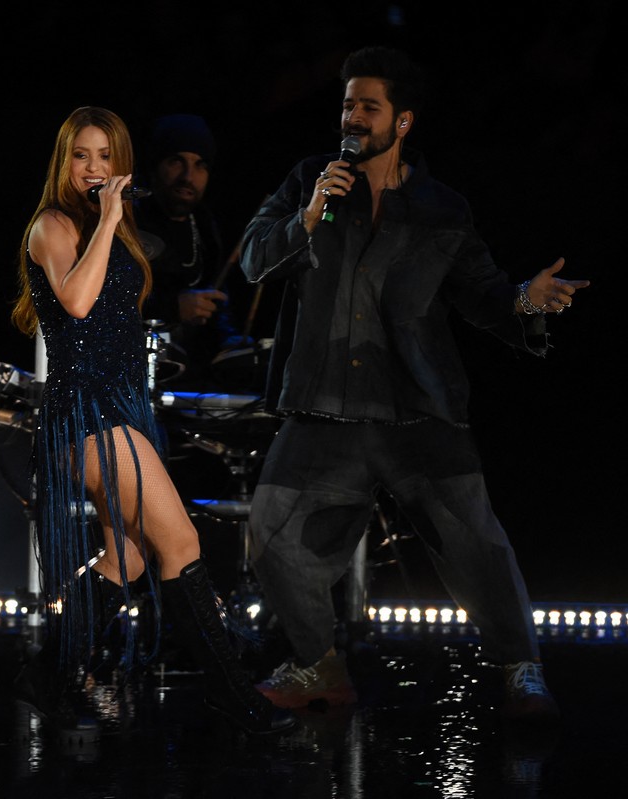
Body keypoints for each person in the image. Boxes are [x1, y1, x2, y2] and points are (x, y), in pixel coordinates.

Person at [239, 46, 589, 722]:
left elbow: (485, 296)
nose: (353, 117)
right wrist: (307, 215)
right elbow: (256, 259)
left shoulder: (441, 209)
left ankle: (524, 672)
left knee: (478, 545)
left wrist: (526, 300)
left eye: (368, 107)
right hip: (324, 408)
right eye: (347, 105)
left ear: (402, 122)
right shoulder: (310, 181)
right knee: (270, 532)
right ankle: (319, 663)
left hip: (418, 413)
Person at [9, 105, 295, 739]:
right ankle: (236, 699)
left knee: (131, 555)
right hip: (83, 412)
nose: (94, 168)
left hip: (119, 407)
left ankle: (48, 674)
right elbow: (78, 304)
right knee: (182, 545)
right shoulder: (54, 225)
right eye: (82, 156)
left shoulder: (113, 228)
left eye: (106, 157)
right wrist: (109, 220)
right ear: (65, 161)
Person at [134, 113, 248, 392]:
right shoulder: (127, 218)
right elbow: (102, 299)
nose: (188, 177)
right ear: (155, 165)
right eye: (176, 162)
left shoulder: (206, 227)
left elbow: (217, 302)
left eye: (199, 166)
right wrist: (172, 307)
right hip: (129, 372)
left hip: (188, 382)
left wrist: (230, 340)